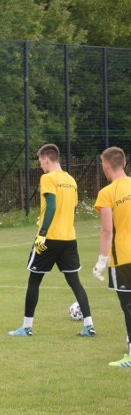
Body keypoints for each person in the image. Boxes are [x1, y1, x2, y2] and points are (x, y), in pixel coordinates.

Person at [9, 143, 96, 337]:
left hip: (49, 238)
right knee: (75, 281)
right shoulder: (71, 180)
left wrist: (43, 232)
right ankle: (89, 325)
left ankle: (26, 327)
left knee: (34, 280)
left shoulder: (47, 178)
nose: (40, 165)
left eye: (40, 162)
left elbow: (52, 205)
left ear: (47, 159)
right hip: (69, 237)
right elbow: (71, 208)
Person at [93, 146, 131, 367]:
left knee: (128, 307)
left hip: (123, 258)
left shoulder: (107, 192)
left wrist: (101, 260)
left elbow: (107, 230)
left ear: (106, 165)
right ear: (123, 163)